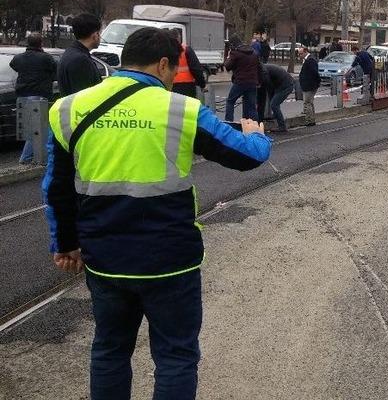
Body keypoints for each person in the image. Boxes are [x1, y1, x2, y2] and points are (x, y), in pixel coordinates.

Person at [42, 27, 271, 400]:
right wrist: (257, 134)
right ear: (163, 64)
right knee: (176, 356)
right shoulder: (180, 109)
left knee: (110, 350)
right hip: (170, 260)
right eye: (173, 70)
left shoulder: (69, 108)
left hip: (105, 258)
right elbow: (246, 156)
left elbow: (56, 187)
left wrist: (66, 244)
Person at [11, 33, 57, 164]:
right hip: (39, 96)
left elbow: (13, 65)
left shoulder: (18, 58)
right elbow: (55, 70)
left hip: (22, 95)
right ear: (41, 43)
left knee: (29, 129)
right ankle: (27, 158)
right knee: (38, 129)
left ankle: (33, 157)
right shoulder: (46, 58)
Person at [58, 13, 103, 95]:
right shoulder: (80, 60)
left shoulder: (71, 52)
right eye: (99, 33)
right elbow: (85, 95)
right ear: (95, 35)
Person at [224, 35, 261, 121]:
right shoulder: (254, 52)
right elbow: (259, 68)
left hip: (240, 82)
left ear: (232, 44)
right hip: (252, 82)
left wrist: (227, 55)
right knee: (251, 106)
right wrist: (258, 81)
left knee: (230, 101)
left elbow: (227, 66)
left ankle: (229, 123)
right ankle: (254, 125)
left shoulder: (235, 53)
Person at [167, 29, 206, 99]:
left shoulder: (164, 51)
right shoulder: (186, 49)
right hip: (187, 86)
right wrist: (202, 84)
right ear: (179, 37)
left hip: (170, 85)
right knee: (188, 107)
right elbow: (196, 69)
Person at [263, 63, 295, 132]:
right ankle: (275, 118)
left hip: (286, 86)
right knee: (274, 103)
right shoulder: (263, 68)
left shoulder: (264, 71)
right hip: (279, 85)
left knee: (274, 105)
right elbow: (269, 89)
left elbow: (268, 86)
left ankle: (282, 126)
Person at [298, 47, 321, 126]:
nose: (299, 55)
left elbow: (315, 73)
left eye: (301, 53)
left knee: (307, 103)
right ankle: (312, 119)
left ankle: (309, 121)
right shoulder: (308, 60)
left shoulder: (310, 61)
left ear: (305, 52)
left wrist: (316, 83)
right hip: (309, 84)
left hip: (309, 85)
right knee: (310, 103)